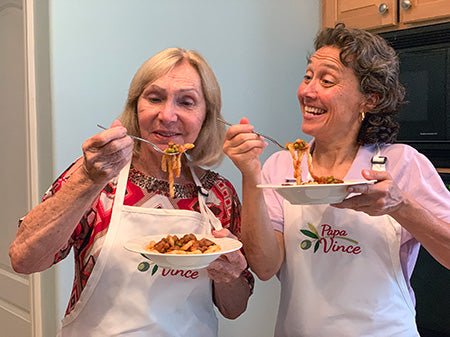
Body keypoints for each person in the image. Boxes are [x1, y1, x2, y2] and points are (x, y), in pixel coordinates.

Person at [223, 24, 450, 337]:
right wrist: (250, 173)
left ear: (369, 99)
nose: (307, 91)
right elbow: (264, 267)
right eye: (307, 77)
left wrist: (402, 207)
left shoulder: (402, 163)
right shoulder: (281, 166)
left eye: (326, 80)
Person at [9, 47, 254, 337]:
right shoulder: (98, 175)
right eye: (154, 98)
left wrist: (231, 275)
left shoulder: (219, 194)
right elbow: (24, 259)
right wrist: (88, 178)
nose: (167, 114)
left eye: (186, 102)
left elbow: (233, 309)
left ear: (206, 117)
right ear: (135, 107)